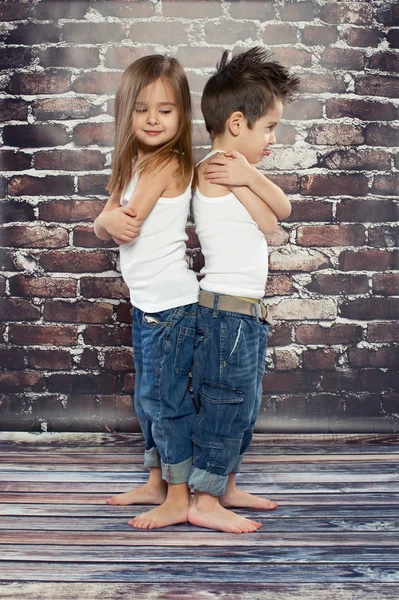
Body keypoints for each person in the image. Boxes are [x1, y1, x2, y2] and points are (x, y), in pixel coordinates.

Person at [187, 47, 300, 533]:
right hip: (225, 314)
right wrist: (249, 180)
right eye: (269, 127)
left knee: (245, 406)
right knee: (224, 402)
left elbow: (277, 214)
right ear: (237, 123)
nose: (273, 139)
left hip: (244, 314)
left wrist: (250, 176)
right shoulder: (216, 169)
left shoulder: (237, 170)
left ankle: (226, 484)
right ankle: (204, 499)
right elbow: (275, 218)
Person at [93, 55, 199, 529]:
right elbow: (108, 216)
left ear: (183, 115)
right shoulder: (135, 163)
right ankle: (156, 479)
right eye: (142, 109)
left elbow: (124, 226)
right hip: (147, 305)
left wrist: (106, 222)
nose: (153, 119)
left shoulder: (169, 163)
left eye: (165, 109)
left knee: (167, 400)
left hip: (171, 306)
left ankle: (179, 495)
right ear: (126, 113)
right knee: (147, 398)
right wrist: (103, 220)